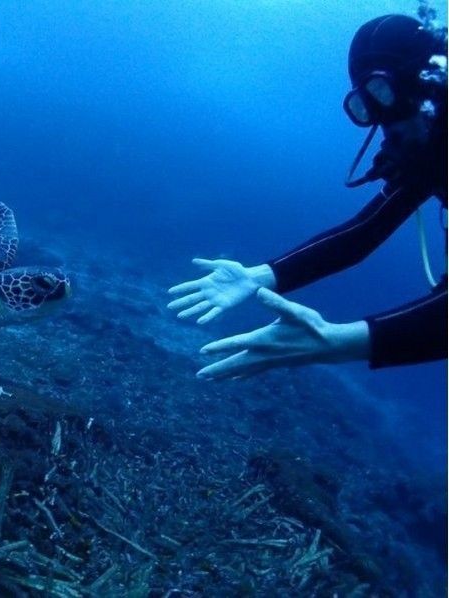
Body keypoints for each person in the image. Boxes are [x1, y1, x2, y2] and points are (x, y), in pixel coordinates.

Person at [167, 14, 447, 380]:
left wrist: (335, 342)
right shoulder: (430, 150)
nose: (383, 119)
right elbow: (364, 231)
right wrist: (260, 277)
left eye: (383, 92)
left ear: (429, 84)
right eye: (366, 104)